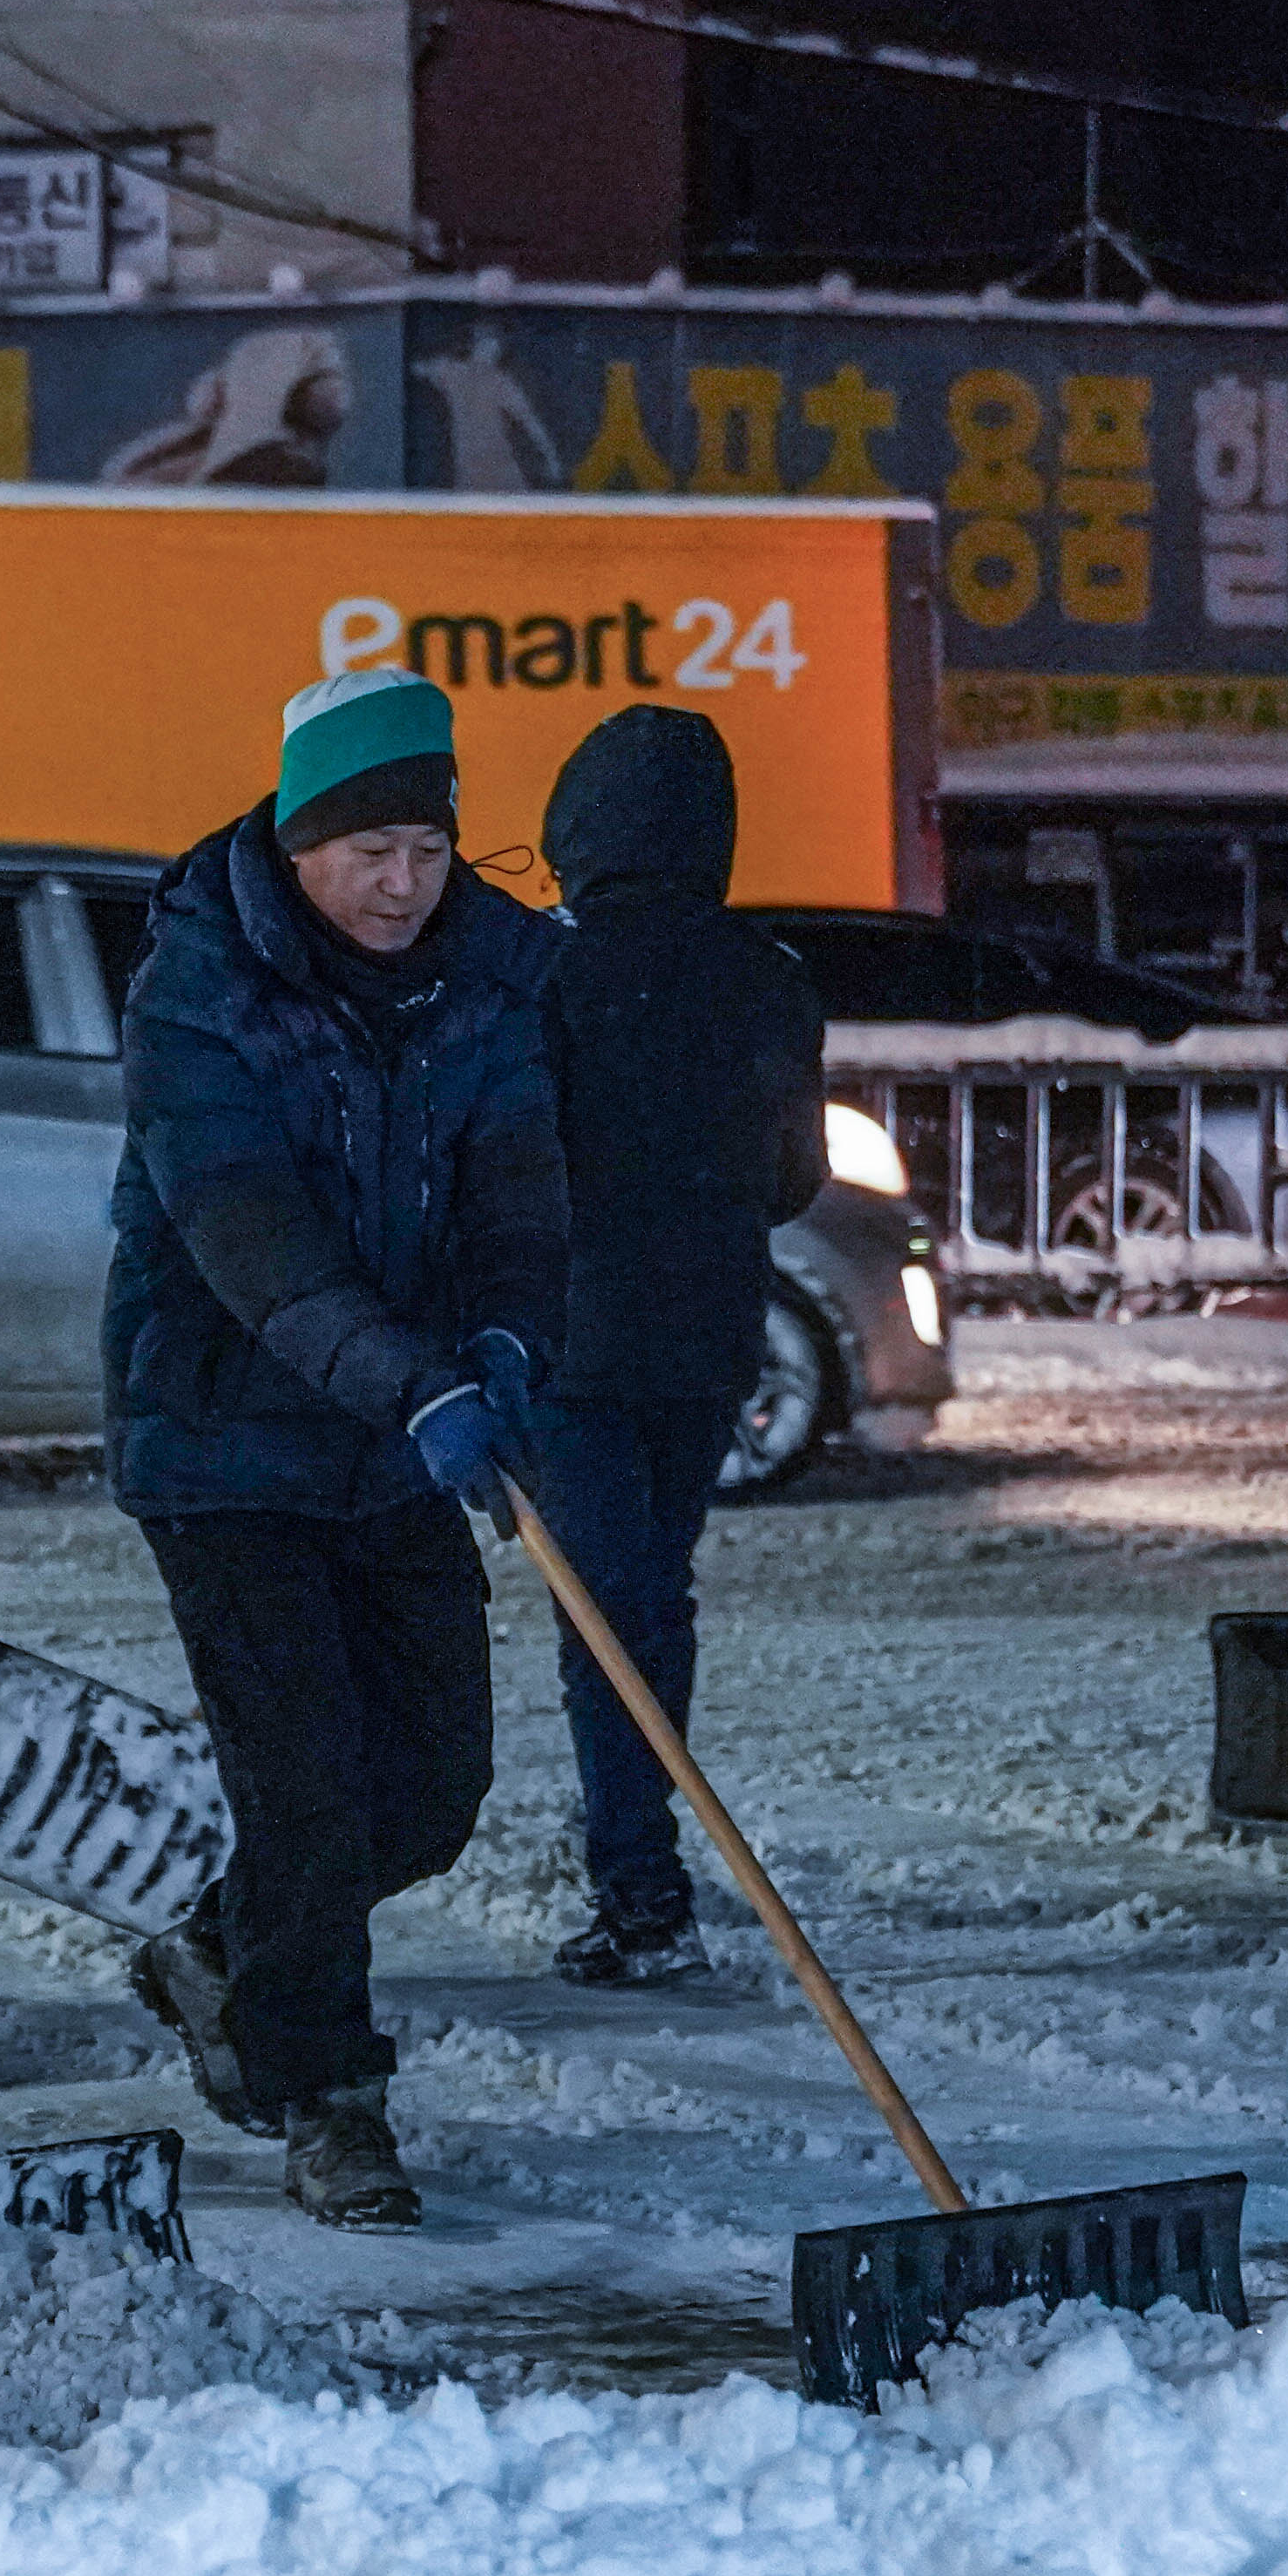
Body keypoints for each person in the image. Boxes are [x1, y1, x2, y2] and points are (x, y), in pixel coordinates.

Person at [109, 668, 564, 2227]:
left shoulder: (489, 986)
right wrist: (411, 1382)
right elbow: (247, 1233)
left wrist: (503, 1348)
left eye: (429, 851)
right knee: (304, 1785)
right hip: (223, 1436)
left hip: (401, 1438)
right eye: (368, 850)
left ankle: (229, 1950)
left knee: (431, 1787)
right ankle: (329, 2098)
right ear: (299, 846)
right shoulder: (197, 988)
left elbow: (519, 1196)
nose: (401, 882)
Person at [524, 705, 824, 1987]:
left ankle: (642, 1893)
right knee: (656, 1597)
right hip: (707, 1339)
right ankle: (644, 1876)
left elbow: (503, 1159)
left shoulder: (542, 969)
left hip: (569, 1338)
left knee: (604, 1611)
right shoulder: (769, 975)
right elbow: (796, 1180)